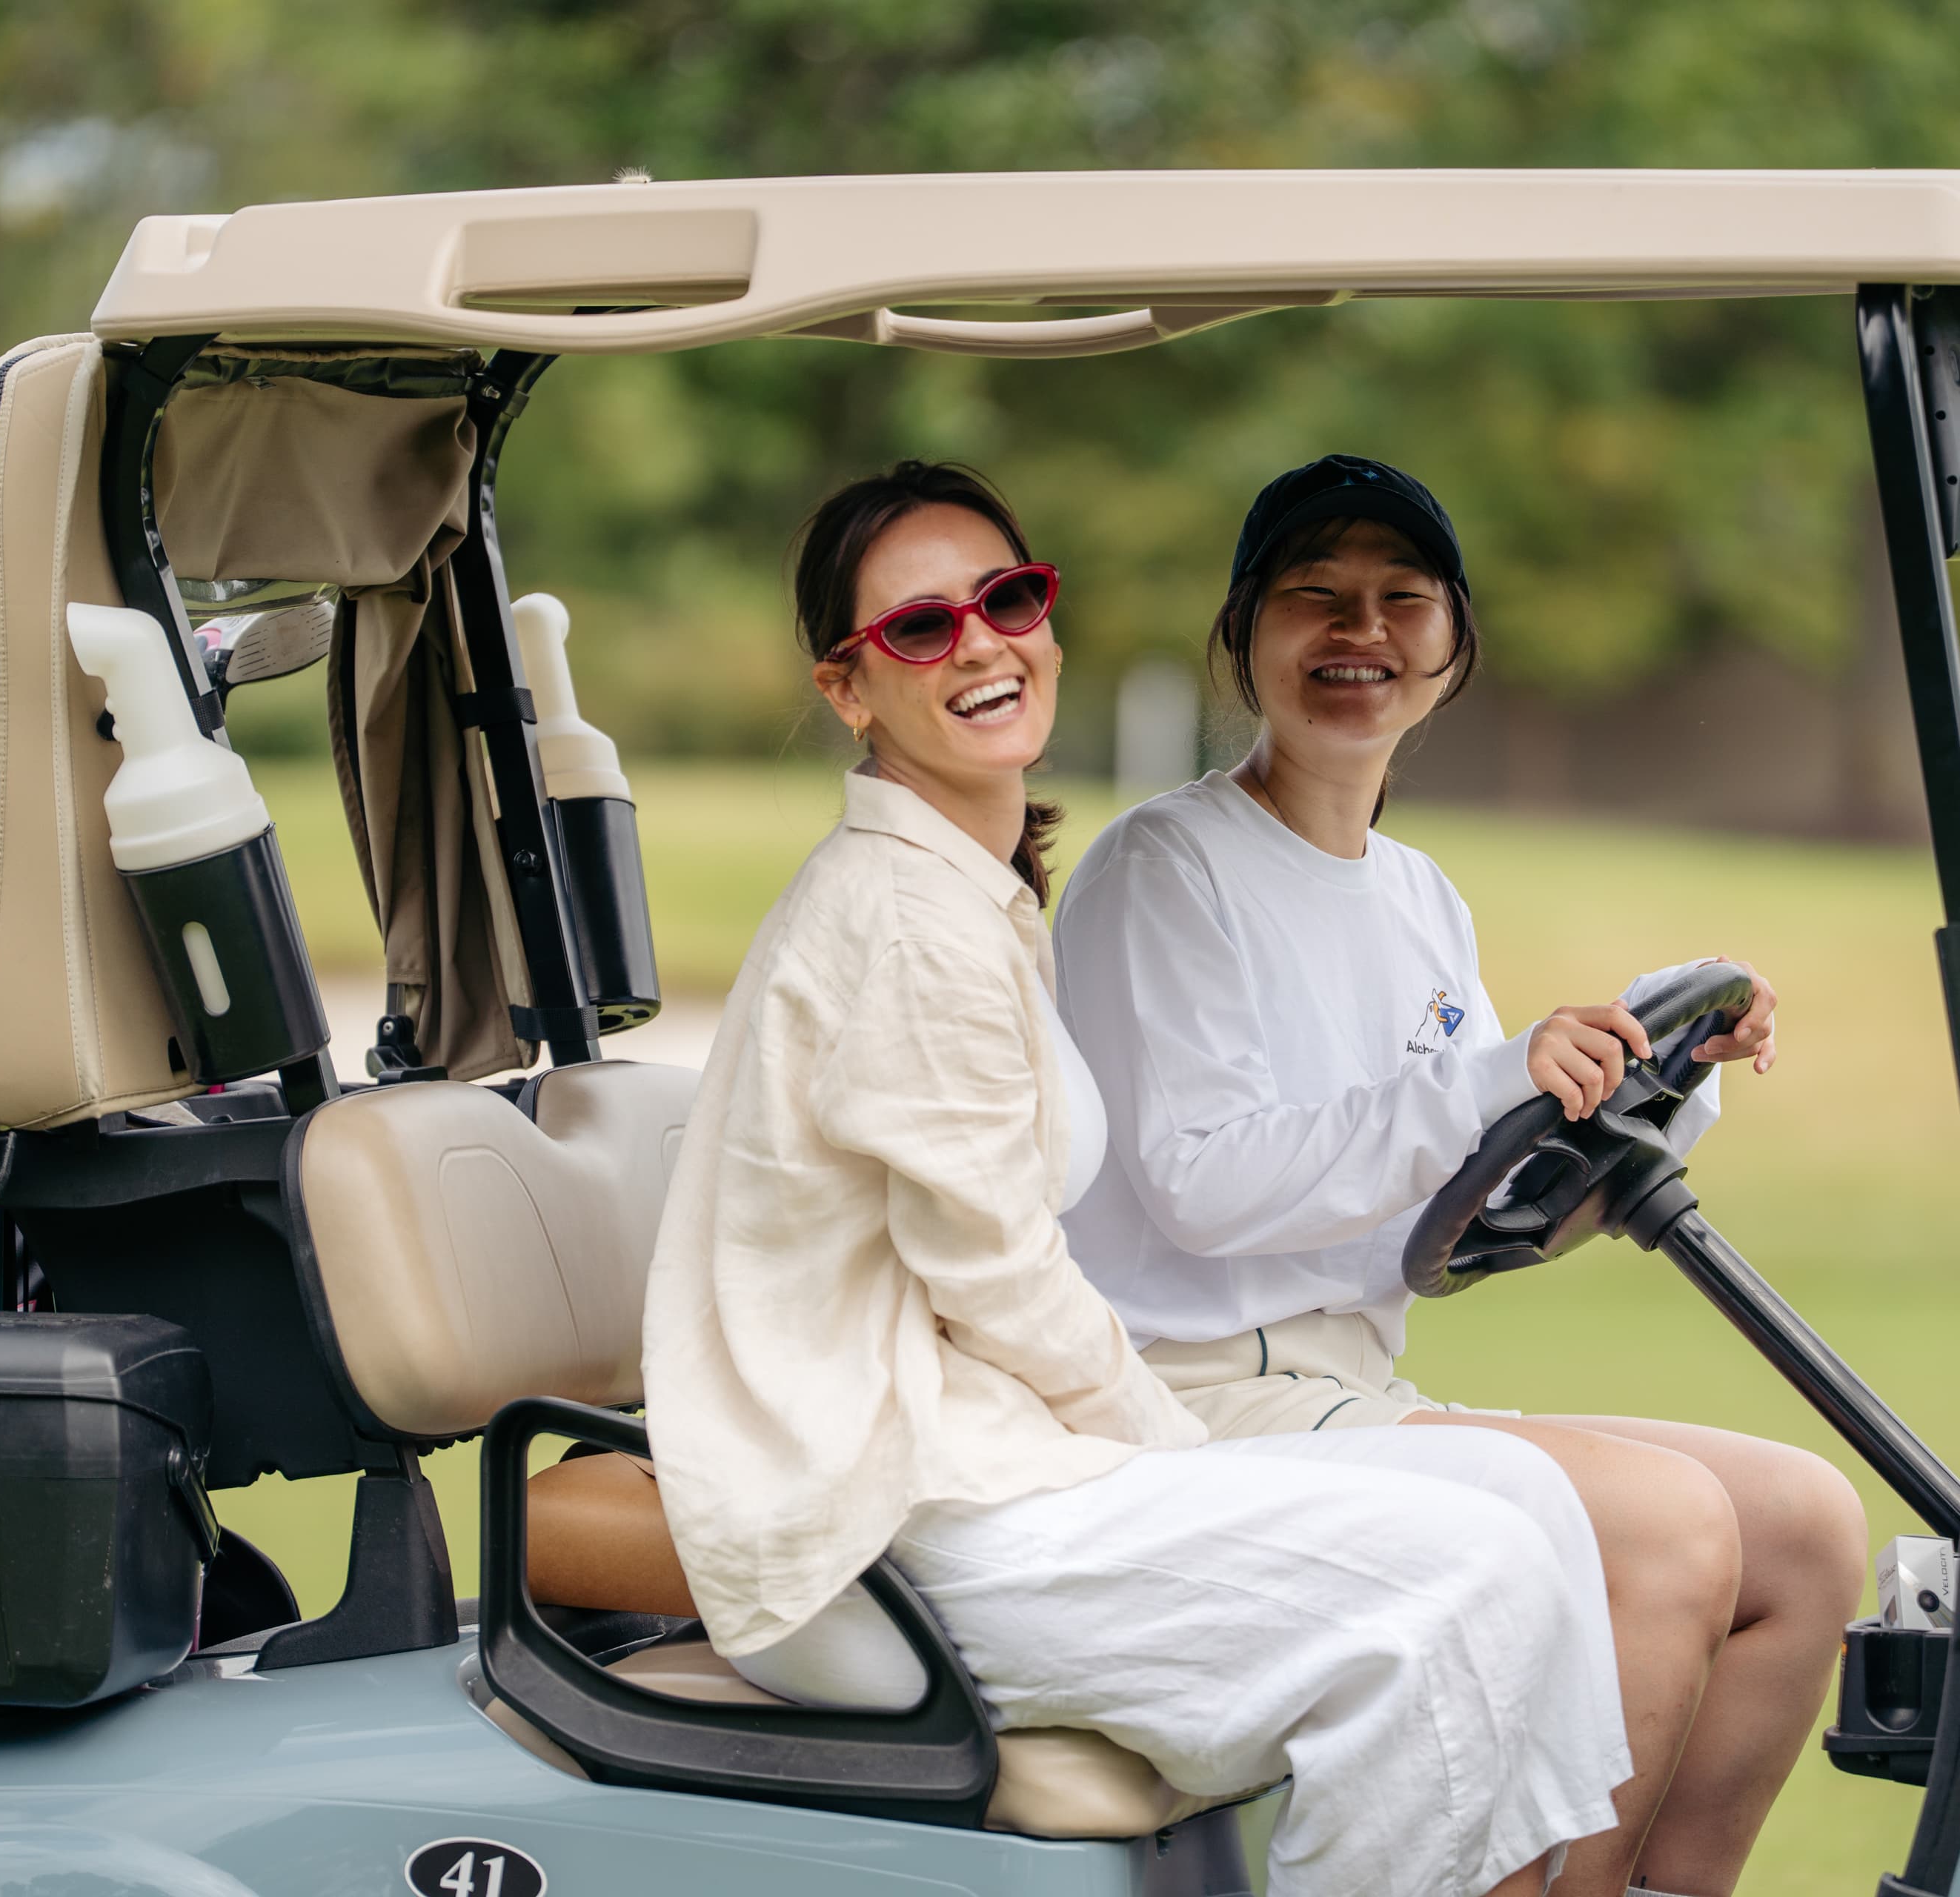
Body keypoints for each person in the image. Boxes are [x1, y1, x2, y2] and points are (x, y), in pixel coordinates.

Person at [641, 459, 1655, 1897]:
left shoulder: (963, 892)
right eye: (922, 628)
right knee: (1464, 1576)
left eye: (1009, 597)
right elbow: (999, 1281)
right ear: (849, 687)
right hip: (889, 1497)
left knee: (1526, 1519)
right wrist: (1176, 1446)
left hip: (981, 1453)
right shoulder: (905, 920)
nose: (984, 641)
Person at [1052, 454, 1870, 1897]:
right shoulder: (1163, 868)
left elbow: (1481, 1206)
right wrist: (1499, 1071)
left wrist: (1670, 1081)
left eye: (1399, 598)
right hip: (1188, 1404)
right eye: (1313, 595)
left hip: (1350, 1393)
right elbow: (1204, 1184)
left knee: (1805, 1523)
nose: (1356, 629)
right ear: (1244, 633)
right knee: (1672, 1528)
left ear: (1452, 645)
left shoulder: (1420, 895)